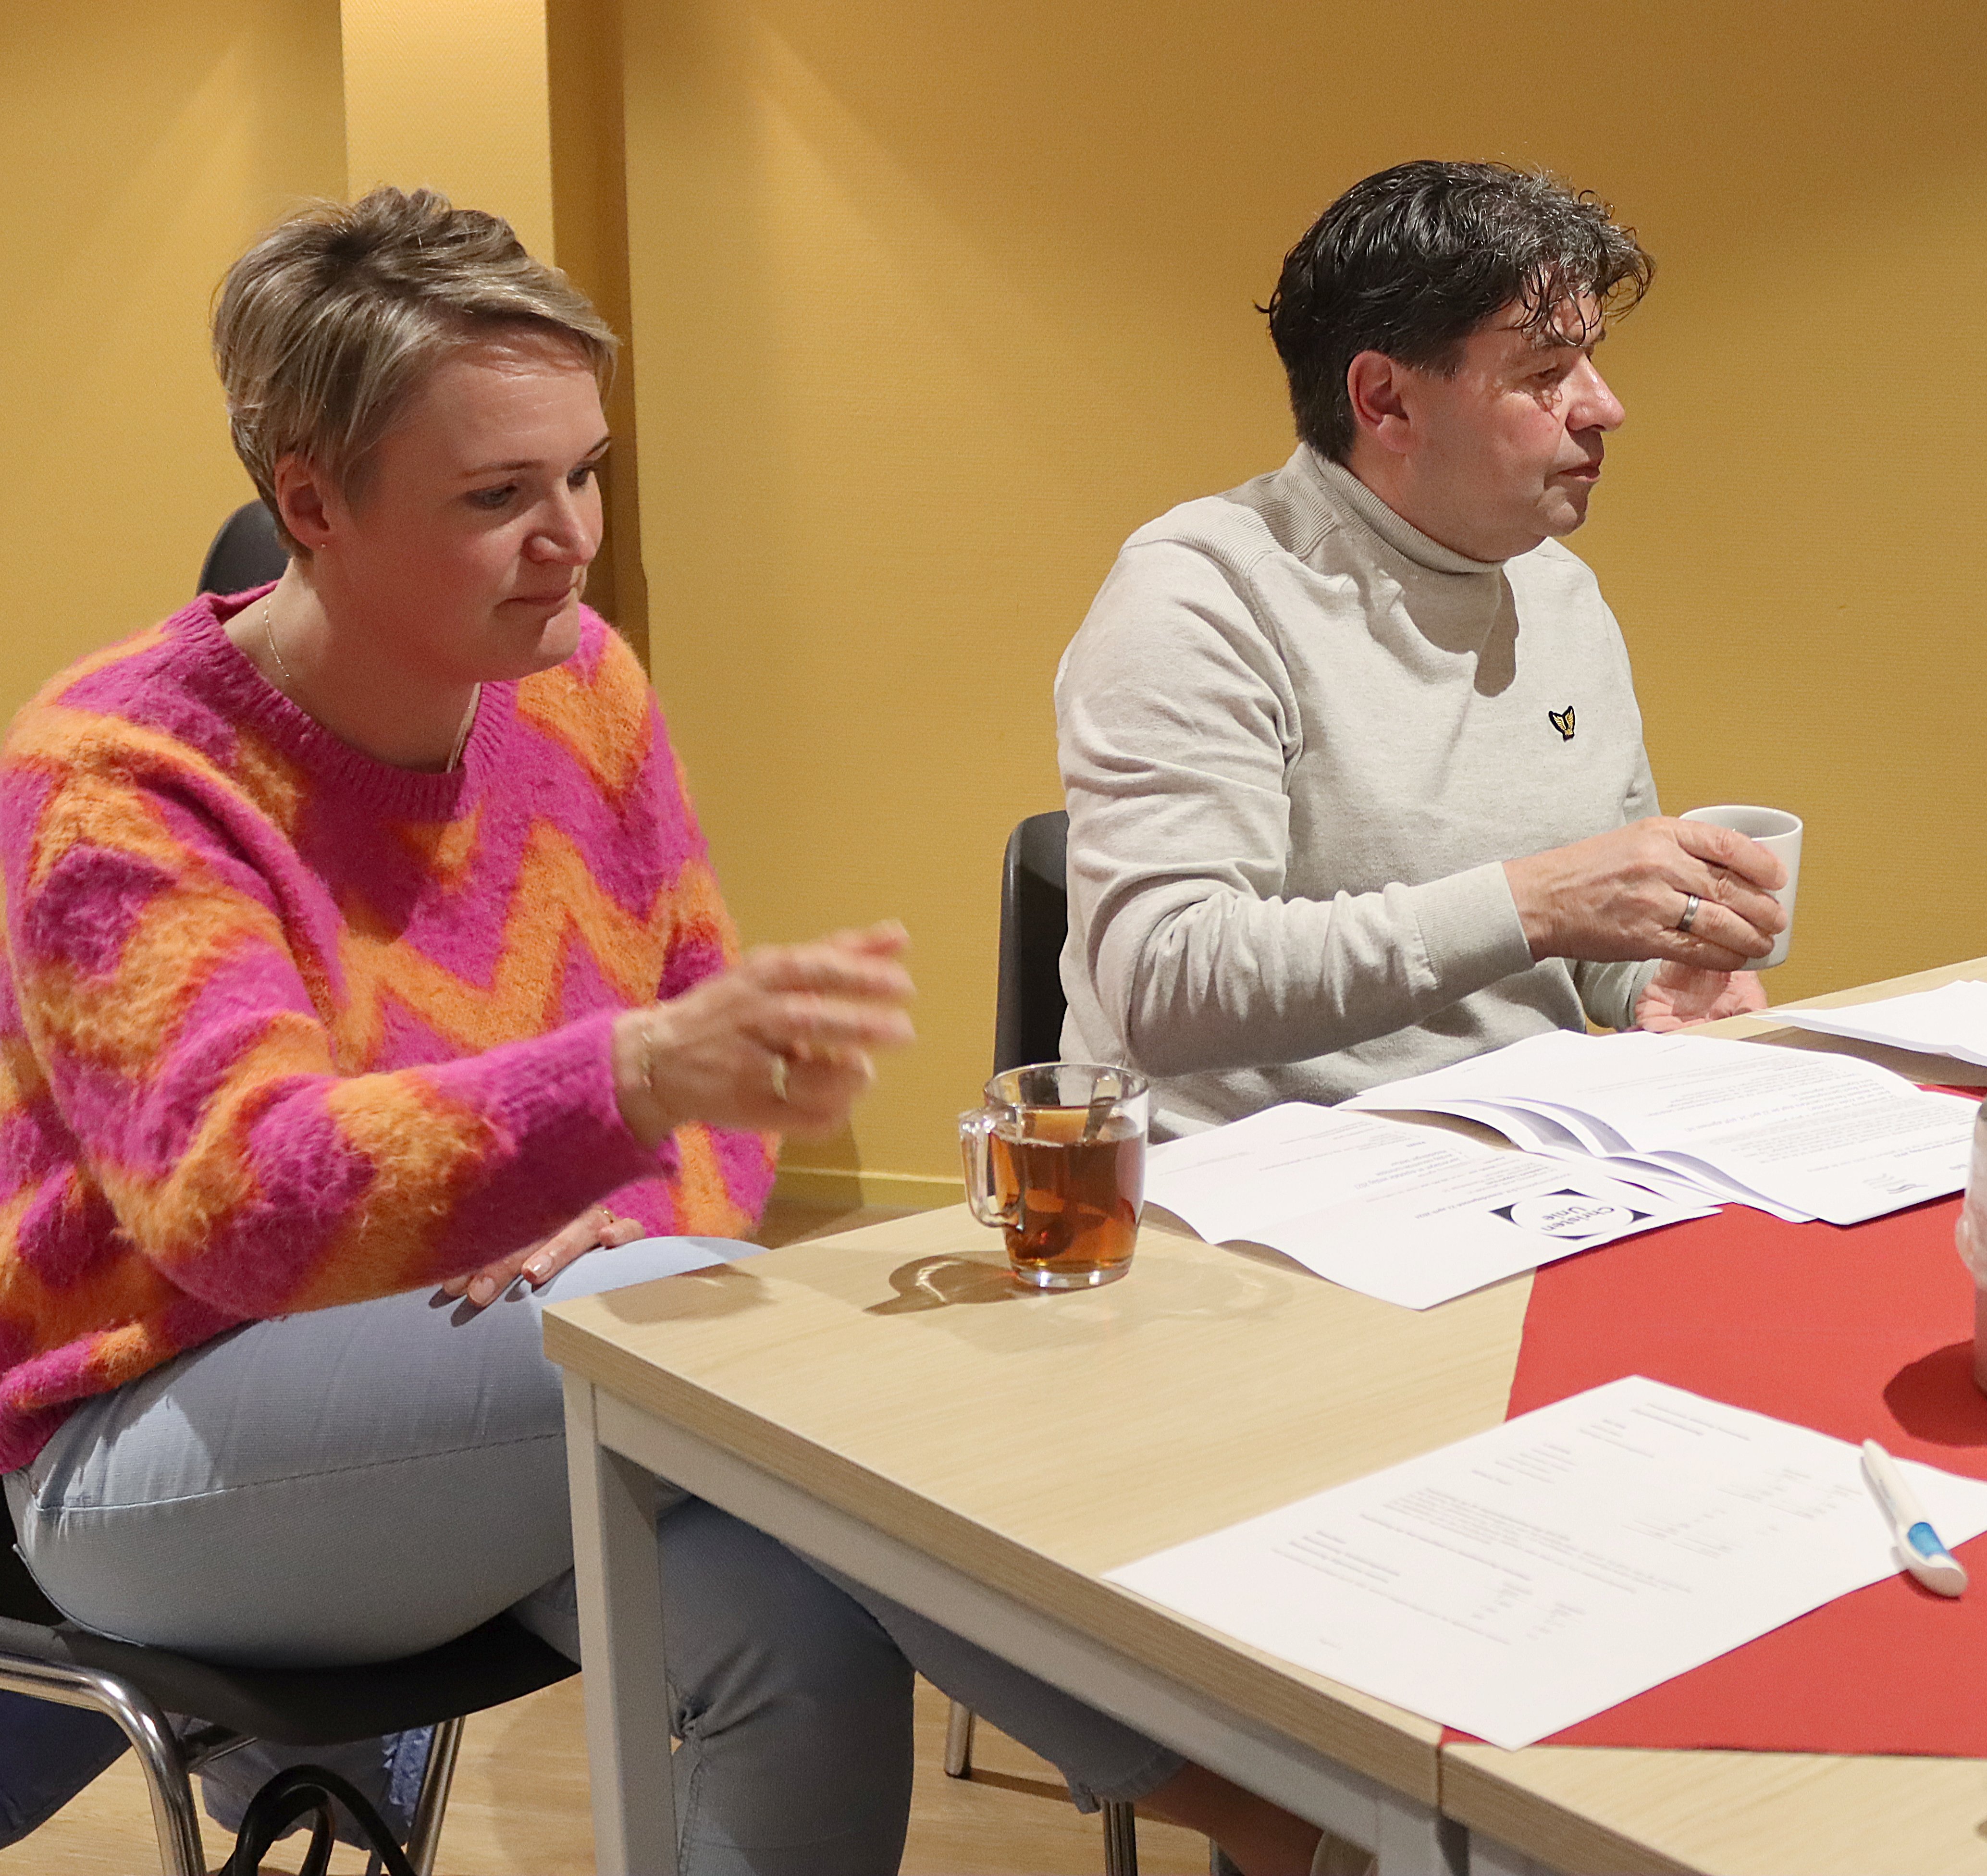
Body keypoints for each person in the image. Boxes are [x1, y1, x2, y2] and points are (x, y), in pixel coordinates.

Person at [0, 187, 1335, 1876]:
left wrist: (627, 1183)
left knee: (798, 1629)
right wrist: (618, 1101)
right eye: (499, 497)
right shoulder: (118, 779)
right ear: (311, 501)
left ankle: (1287, 1805)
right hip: (155, 1447)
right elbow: (240, 1207)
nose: (571, 538)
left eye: (586, 473)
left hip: (501, 1377)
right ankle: (1275, 1807)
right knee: (705, 1328)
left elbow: (704, 1115)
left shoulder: (582, 689)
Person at [1057, 160, 1790, 1136]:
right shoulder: (1201, 594)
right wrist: (1537, 902)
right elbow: (1165, 984)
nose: (1604, 406)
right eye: (1546, 374)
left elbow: (1585, 933)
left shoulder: (1560, 592)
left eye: (1591, 362)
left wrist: (1658, 975)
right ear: (1386, 402)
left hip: (1525, 1152)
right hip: (1254, 1181)